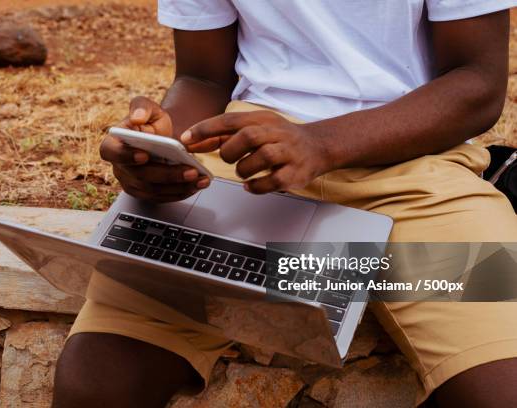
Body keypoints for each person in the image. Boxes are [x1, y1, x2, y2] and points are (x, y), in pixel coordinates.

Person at [52, 1, 517, 407]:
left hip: (418, 177)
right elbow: (201, 76)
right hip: (247, 170)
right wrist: (160, 147)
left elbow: (477, 82)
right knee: (94, 384)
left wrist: (321, 143)